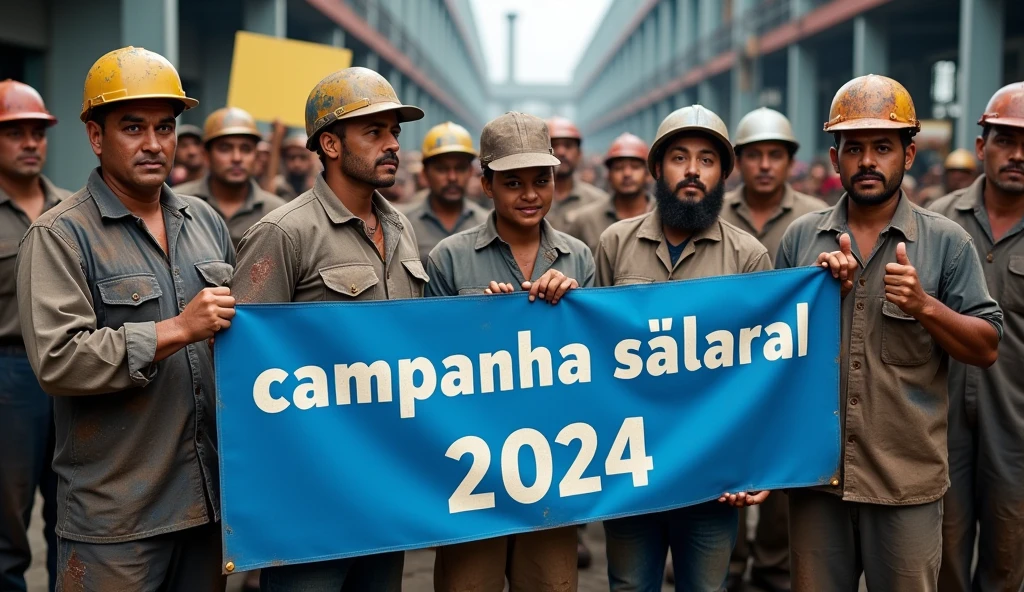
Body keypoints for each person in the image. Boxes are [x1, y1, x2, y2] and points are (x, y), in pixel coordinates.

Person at [16, 46, 236, 591]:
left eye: (166, 127)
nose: (154, 144)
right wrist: (177, 329)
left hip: (208, 503)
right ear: (96, 136)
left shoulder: (204, 220)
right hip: (117, 521)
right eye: (133, 127)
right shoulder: (60, 236)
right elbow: (59, 361)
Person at [775, 74, 1003, 592]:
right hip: (816, 481)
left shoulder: (947, 243)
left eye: (883, 146)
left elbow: (986, 346)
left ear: (910, 153)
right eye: (853, 148)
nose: (868, 161)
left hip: (906, 486)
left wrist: (924, 305)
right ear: (834, 160)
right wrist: (817, 296)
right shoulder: (801, 239)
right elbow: (770, 358)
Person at [229, 66, 424, 592]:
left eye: (394, 133)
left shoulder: (401, 227)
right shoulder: (284, 232)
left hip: (388, 480)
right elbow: (241, 368)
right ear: (330, 144)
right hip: (310, 489)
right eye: (374, 132)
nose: (392, 145)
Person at [596, 105, 772, 592]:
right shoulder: (614, 244)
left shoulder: (748, 256)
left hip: (712, 472)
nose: (693, 171)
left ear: (722, 175)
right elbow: (591, 355)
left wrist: (754, 461)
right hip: (631, 467)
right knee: (630, 586)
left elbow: (762, 373)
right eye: (679, 157)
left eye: (707, 160)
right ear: (657, 168)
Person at [425, 111, 591, 592]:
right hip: (472, 463)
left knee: (550, 583)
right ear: (486, 184)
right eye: (513, 182)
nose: (530, 194)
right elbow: (425, 364)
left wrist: (573, 308)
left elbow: (597, 365)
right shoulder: (449, 258)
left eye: (542, 180)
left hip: (555, 462)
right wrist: (477, 325)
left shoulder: (579, 258)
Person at [718, 107, 826, 591]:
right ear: (739, 161)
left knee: (782, 477)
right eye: (755, 155)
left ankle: (774, 569)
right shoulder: (714, 215)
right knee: (724, 471)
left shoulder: (816, 218)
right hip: (723, 371)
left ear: (790, 161)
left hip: (789, 372)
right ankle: (730, 563)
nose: (765, 164)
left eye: (775, 155)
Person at [928, 81, 1024, 592]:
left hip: (1017, 426)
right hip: (937, 422)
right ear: (983, 146)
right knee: (942, 552)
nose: (1018, 155)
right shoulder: (936, 224)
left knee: (1008, 558)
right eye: (1005, 141)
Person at [0, 79, 69, 592]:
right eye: (15, 132)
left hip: (74, 367)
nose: (30, 143)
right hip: (10, 375)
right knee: (7, 522)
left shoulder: (71, 210)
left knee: (72, 511)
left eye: (38, 132)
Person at [174, 107, 287, 248]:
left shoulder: (277, 212)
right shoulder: (177, 203)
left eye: (246, 149)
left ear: (256, 155)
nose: (236, 158)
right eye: (225, 148)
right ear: (206, 155)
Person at [404, 121, 487, 265]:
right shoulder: (404, 226)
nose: (452, 178)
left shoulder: (487, 224)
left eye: (460, 168)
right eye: (442, 169)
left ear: (471, 172)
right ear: (424, 173)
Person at [566, 132, 652, 254]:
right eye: (619, 168)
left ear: (648, 174)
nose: (627, 174)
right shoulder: (586, 221)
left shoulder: (663, 217)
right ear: (608, 175)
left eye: (635, 167)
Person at [546, 116, 609, 232]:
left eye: (568, 146)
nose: (561, 152)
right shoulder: (530, 199)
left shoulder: (599, 202)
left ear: (579, 154)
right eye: (553, 145)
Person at [278, 132, 316, 199]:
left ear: (311, 160)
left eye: (303, 157)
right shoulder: (277, 187)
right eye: (292, 157)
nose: (297, 164)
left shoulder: (320, 188)